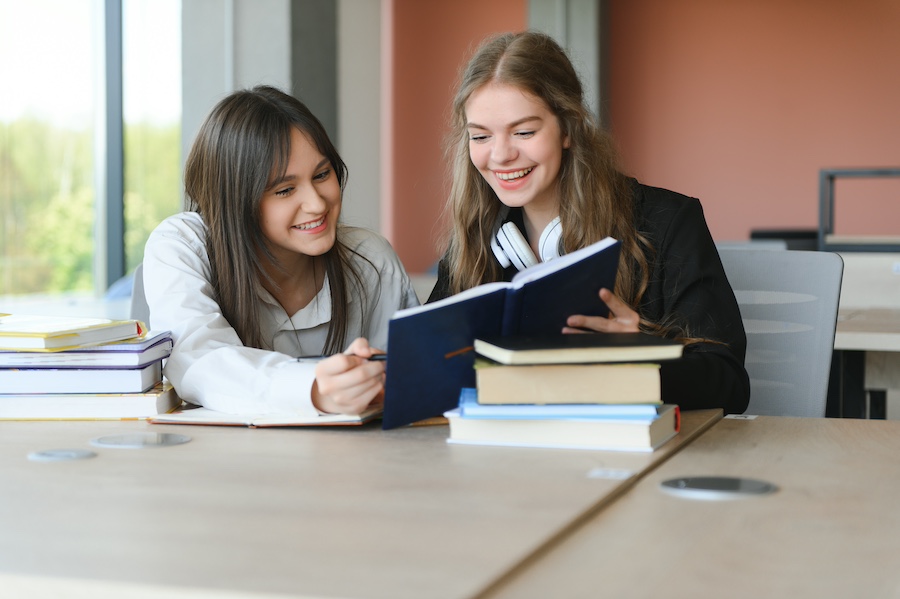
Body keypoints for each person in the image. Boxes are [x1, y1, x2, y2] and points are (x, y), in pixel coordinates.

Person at [428, 31, 749, 414]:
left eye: (524, 131)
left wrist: (642, 361)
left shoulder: (667, 222)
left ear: (567, 128)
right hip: (510, 458)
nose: (500, 155)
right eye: (480, 136)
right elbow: (430, 367)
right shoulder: (477, 237)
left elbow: (728, 383)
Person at [143, 85, 419, 417]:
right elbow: (198, 358)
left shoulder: (370, 259)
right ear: (235, 201)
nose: (317, 204)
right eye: (285, 190)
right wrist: (313, 389)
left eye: (322, 174)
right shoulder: (182, 243)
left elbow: (407, 381)